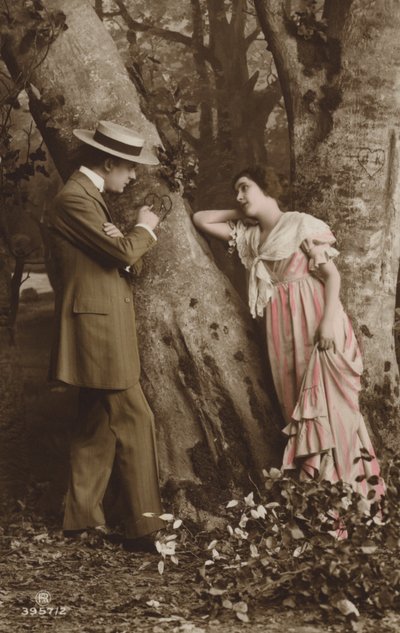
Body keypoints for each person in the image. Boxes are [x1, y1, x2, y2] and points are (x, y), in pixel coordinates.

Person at [193, 165, 384, 501]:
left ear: (266, 186)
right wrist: (242, 210)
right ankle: (318, 497)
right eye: (236, 191)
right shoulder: (250, 237)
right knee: (295, 404)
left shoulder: (299, 224)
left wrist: (327, 322)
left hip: (317, 319)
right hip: (281, 328)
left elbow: (332, 277)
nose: (239, 196)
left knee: (328, 406)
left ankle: (351, 496)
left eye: (245, 187)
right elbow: (201, 219)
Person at [48, 120, 165, 552]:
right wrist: (144, 227)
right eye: (130, 168)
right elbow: (122, 253)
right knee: (137, 420)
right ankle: (146, 528)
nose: (133, 176)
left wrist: (128, 241)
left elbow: (124, 259)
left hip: (99, 323)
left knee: (96, 422)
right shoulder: (75, 198)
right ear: (111, 161)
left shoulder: (90, 198)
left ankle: (79, 519)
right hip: (97, 328)